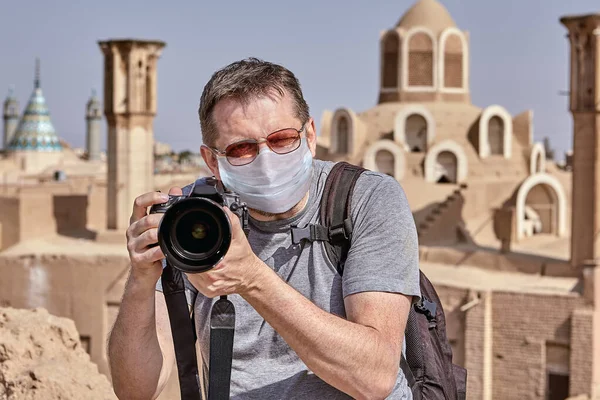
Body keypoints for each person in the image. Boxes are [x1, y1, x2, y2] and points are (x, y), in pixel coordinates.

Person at [108, 58, 421, 400]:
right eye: (241, 148)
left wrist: (252, 279)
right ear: (212, 160)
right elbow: (136, 392)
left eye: (282, 139)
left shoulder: (365, 199)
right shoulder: (195, 218)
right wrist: (141, 279)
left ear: (310, 136)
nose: (266, 160)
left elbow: (375, 377)